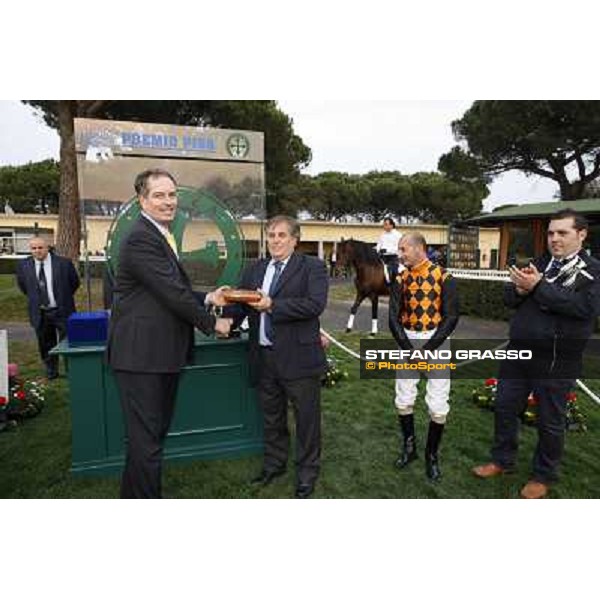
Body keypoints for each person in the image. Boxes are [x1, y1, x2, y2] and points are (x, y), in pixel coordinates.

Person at [106, 168, 232, 499]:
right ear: (142, 200)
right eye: (159, 195)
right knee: (147, 443)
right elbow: (173, 294)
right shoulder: (141, 238)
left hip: (155, 356)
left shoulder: (159, 234)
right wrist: (212, 322)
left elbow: (170, 289)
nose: (168, 201)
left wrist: (208, 297)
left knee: (148, 440)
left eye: (172, 194)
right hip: (141, 359)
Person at [473, 209, 600, 499]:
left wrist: (538, 286)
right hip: (518, 353)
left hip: (557, 359)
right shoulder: (539, 262)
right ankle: (502, 461)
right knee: (504, 407)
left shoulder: (592, 270)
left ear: (581, 234)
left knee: (550, 420)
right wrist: (519, 289)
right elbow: (509, 298)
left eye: (562, 233)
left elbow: (582, 309)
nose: (554, 238)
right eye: (551, 232)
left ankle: (543, 475)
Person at [232, 215, 328, 499]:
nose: (275, 240)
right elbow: (241, 304)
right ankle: (275, 465)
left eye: (281, 235)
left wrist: (273, 304)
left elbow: (314, 304)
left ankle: (307, 473)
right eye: (271, 235)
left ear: (295, 240)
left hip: (299, 359)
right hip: (264, 356)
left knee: (306, 421)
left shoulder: (313, 267)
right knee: (272, 418)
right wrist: (223, 317)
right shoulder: (256, 268)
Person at [389, 233, 459, 481]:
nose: (400, 254)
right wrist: (409, 350)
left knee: (438, 400)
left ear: (420, 249)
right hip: (407, 338)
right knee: (404, 395)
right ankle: (410, 449)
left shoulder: (444, 276)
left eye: (403, 249)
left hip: (436, 340)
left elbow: (451, 317)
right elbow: (393, 318)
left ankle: (431, 455)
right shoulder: (400, 278)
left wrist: (428, 349)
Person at [16, 236, 80, 379]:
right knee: (45, 344)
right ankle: (51, 372)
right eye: (34, 248)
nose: (37, 251)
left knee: (68, 342)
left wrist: (62, 298)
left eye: (40, 248)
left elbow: (74, 283)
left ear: (48, 248)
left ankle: (71, 371)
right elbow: (24, 287)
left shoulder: (64, 264)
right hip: (40, 312)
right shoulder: (23, 265)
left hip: (62, 310)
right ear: (30, 250)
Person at [375, 217, 401, 282]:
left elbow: (399, 247)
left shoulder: (398, 235)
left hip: (393, 258)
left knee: (393, 272)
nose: (384, 226)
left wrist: (387, 250)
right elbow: (379, 244)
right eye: (384, 224)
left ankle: (394, 286)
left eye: (386, 224)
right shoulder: (382, 235)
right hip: (382, 257)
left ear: (391, 225)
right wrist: (377, 250)